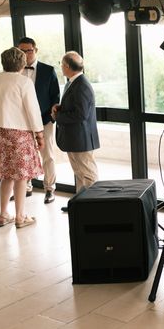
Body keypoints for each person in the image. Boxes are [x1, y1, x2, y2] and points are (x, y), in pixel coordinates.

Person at [0, 47, 44, 229]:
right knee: (21, 176)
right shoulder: (23, 82)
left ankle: (3, 215)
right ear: (23, 63)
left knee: (6, 174)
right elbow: (32, 110)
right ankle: (20, 216)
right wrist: (39, 133)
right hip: (19, 132)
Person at [51, 51, 99, 211]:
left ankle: (93, 207)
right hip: (74, 138)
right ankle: (80, 206)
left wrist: (58, 116)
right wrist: (61, 108)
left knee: (88, 174)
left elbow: (81, 115)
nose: (61, 68)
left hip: (81, 138)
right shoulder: (73, 82)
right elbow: (75, 107)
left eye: (62, 65)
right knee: (79, 174)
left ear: (66, 66)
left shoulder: (82, 85)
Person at [17, 37, 60, 204]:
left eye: (28, 50)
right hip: (21, 122)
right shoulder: (15, 71)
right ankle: (26, 187)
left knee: (47, 156)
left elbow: (55, 97)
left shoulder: (48, 70)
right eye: (21, 50)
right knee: (25, 156)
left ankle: (49, 189)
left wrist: (48, 118)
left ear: (35, 50)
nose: (25, 54)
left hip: (44, 120)